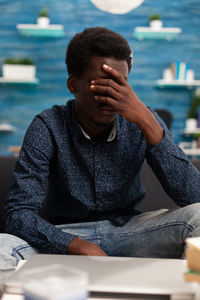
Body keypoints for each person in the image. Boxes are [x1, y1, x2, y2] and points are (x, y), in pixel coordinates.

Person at [1, 27, 200, 279]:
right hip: (66, 236)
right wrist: (76, 245)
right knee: (1, 247)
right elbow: (18, 214)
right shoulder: (48, 125)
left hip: (129, 232)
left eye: (120, 85)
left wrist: (147, 122)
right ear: (73, 84)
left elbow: (194, 196)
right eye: (101, 85)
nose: (111, 97)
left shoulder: (142, 120)